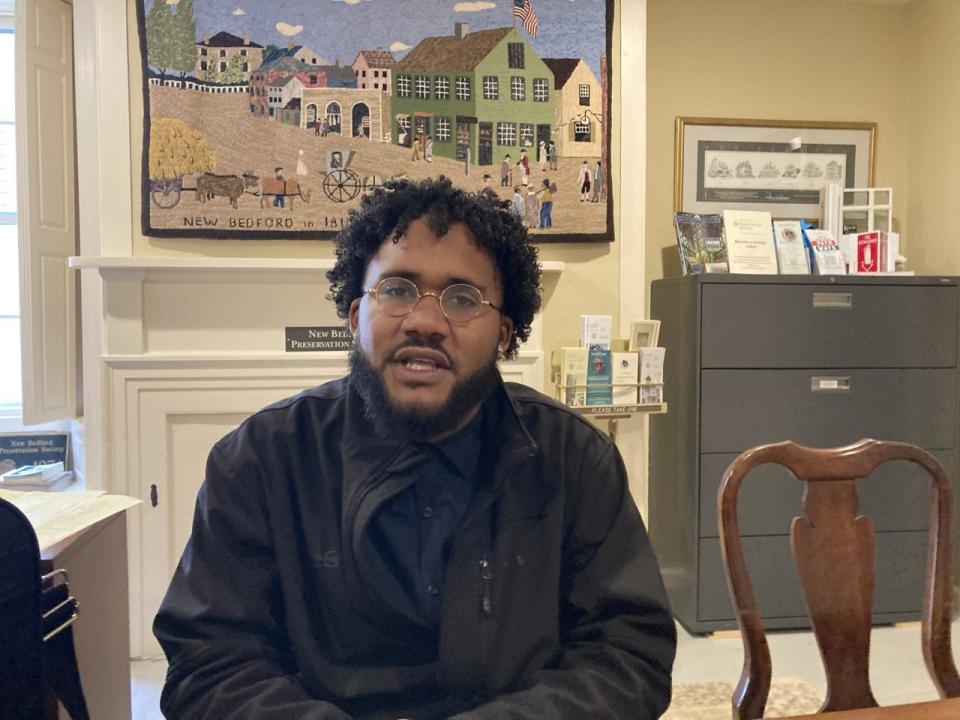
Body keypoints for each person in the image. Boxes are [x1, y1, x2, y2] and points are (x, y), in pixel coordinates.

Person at [154, 178, 676, 720]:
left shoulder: (575, 460)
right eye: (398, 289)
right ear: (356, 317)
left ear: (503, 333)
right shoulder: (261, 458)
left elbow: (628, 655)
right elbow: (208, 663)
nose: (425, 322)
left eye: (462, 298)